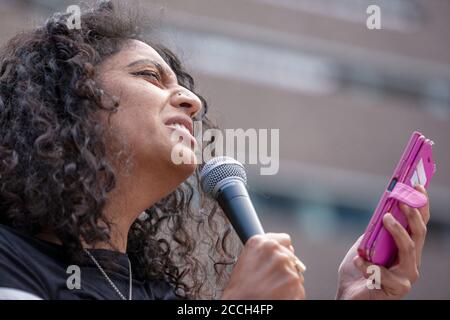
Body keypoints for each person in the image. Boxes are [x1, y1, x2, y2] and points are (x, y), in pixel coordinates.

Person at [0, 1, 430, 300]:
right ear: (71, 99)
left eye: (184, 88)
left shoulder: (160, 292)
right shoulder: (10, 260)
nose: (193, 101)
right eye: (150, 76)